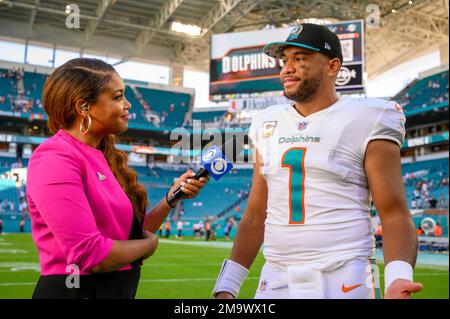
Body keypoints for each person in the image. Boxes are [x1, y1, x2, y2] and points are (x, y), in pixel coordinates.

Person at [212, 24, 422, 300]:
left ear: (332, 66)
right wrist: (228, 285)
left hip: (346, 275)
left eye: (300, 59)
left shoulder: (370, 116)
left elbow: (394, 212)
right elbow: (254, 214)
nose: (287, 68)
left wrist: (398, 277)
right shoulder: (266, 122)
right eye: (284, 60)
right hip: (276, 276)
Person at [26, 58, 209, 299]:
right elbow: (90, 255)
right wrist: (150, 245)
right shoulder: (55, 156)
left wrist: (171, 198)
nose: (128, 104)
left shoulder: (104, 156)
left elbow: (128, 236)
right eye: (117, 97)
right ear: (84, 107)